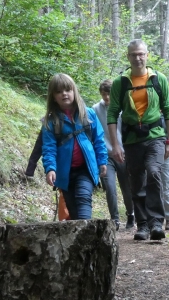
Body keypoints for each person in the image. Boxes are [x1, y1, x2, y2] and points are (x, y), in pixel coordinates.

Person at [107, 39, 169, 241]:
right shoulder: (120, 82)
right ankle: (142, 225)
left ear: (147, 55)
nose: (138, 58)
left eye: (141, 54)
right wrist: (115, 145)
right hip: (131, 139)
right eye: (133, 54)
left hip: (155, 136)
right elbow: (112, 114)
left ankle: (156, 222)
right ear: (128, 57)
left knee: (153, 172)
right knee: (136, 179)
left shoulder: (158, 79)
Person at [42, 73, 108, 220]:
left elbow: (99, 139)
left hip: (86, 169)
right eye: (59, 91)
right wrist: (50, 168)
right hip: (64, 173)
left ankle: (87, 234)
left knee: (84, 198)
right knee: (73, 211)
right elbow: (49, 148)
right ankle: (83, 238)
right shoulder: (50, 122)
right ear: (53, 96)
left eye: (67, 90)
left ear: (74, 91)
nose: (64, 94)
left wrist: (102, 161)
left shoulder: (88, 114)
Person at [93, 79, 135, 231]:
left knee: (126, 187)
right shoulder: (95, 109)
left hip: (123, 153)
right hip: (106, 155)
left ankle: (131, 214)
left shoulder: (123, 108)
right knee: (110, 187)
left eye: (109, 94)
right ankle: (115, 219)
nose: (107, 98)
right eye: (104, 94)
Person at [25, 119, 70, 221]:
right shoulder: (51, 121)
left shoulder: (80, 116)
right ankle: (66, 224)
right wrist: (30, 168)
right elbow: (41, 144)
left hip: (80, 169)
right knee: (65, 196)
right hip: (61, 167)